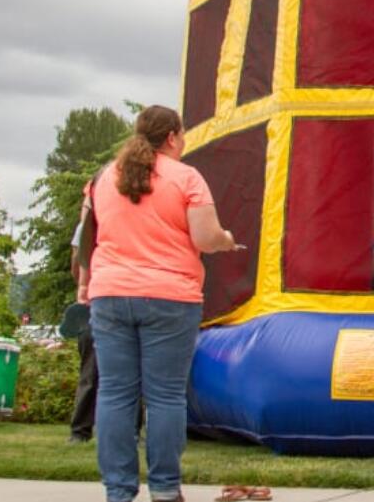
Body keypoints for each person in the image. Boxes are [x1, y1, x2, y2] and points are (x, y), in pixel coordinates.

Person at [88, 105, 244, 502]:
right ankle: (163, 488)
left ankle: (118, 491)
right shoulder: (187, 178)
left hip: (109, 293)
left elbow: (94, 233)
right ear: (173, 137)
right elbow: (205, 237)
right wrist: (225, 238)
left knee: (115, 393)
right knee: (165, 396)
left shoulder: (105, 177)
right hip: (169, 297)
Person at [68, 178, 97, 443]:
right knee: (92, 369)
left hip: (97, 299)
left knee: (91, 371)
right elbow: (77, 261)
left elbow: (77, 262)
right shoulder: (87, 227)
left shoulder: (90, 223)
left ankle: (80, 431)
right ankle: (80, 430)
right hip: (96, 301)